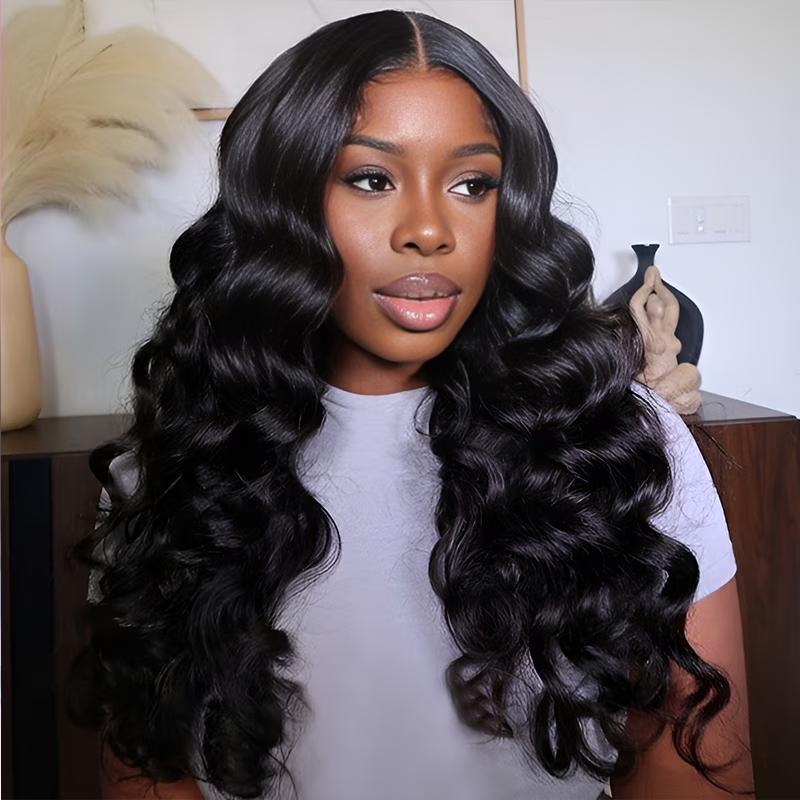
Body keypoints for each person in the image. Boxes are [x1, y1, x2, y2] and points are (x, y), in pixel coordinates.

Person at [66, 10, 754, 800]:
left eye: (472, 184)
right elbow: (148, 765)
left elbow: (693, 750)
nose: (429, 230)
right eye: (371, 179)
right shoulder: (177, 460)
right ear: (281, 202)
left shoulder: (620, 440)